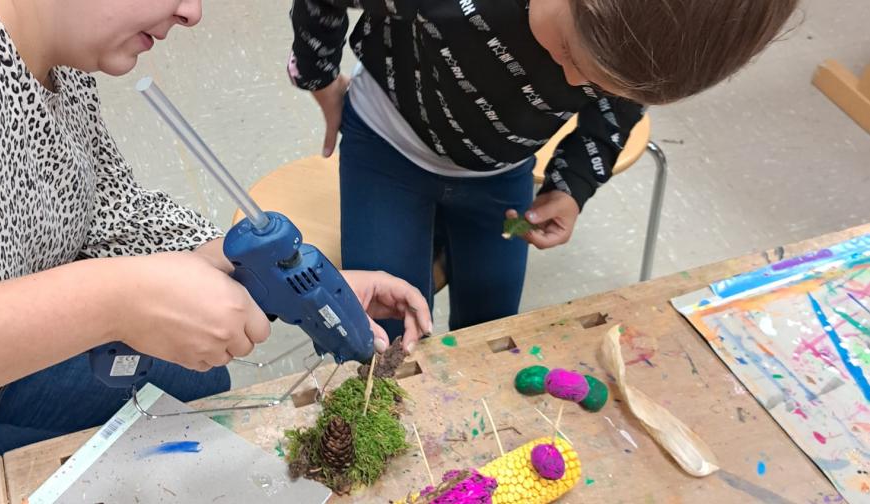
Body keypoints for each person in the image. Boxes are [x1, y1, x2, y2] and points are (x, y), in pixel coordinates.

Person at [0, 0, 433, 501]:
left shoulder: (62, 64)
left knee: (199, 382)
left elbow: (112, 210)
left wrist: (283, 280)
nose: (193, 12)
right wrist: (114, 301)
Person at [287, 0, 798, 335]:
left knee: (492, 321)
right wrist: (321, 80)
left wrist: (573, 184)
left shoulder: (632, 48)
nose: (574, 81)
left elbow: (621, 105)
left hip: (499, 175)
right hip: (386, 151)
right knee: (385, 327)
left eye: (598, 84)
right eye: (571, 53)